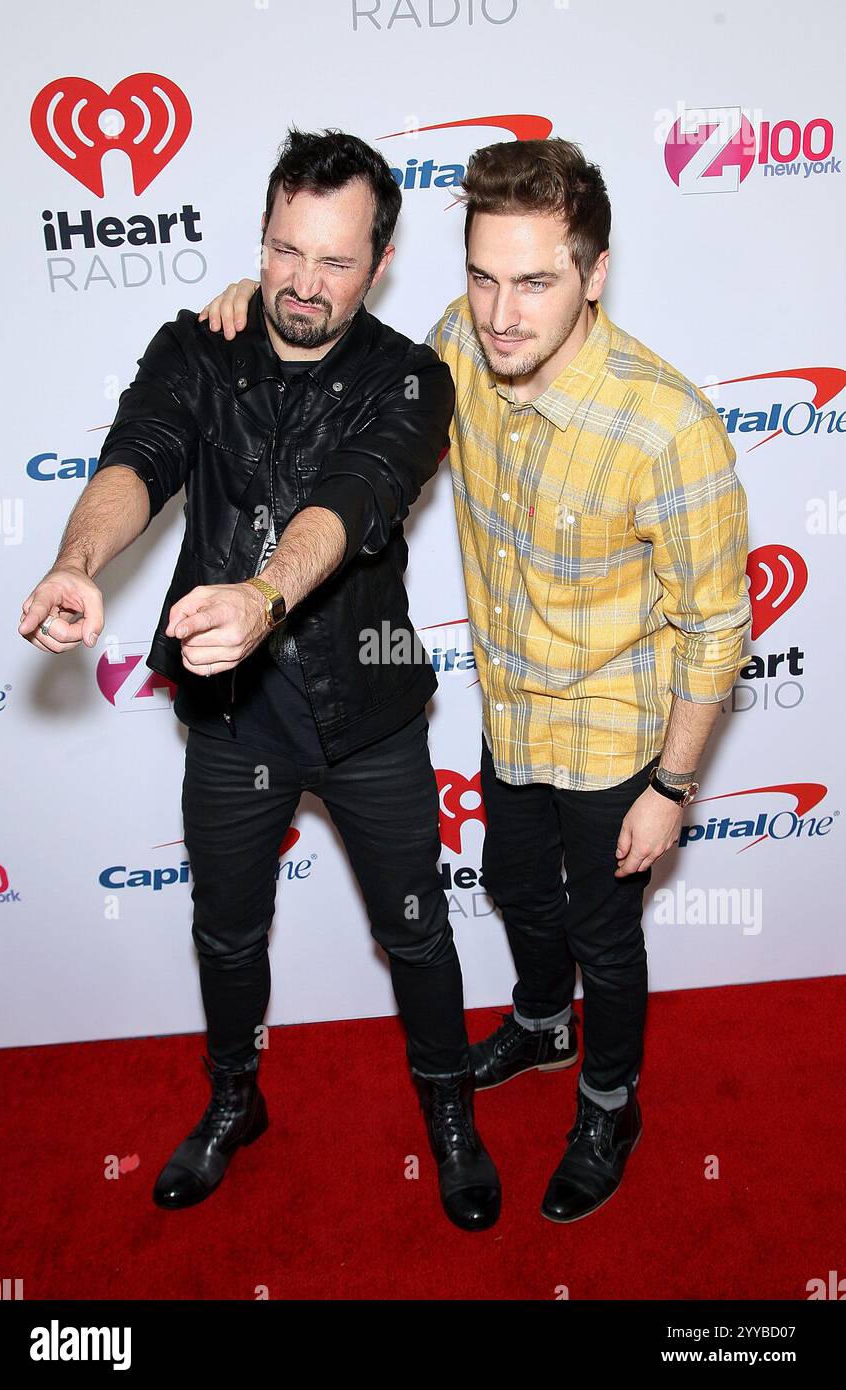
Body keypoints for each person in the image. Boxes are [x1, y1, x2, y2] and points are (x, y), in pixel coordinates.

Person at [200, 134, 751, 1223]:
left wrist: (671, 789)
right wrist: (254, 308)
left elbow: (716, 630)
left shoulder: (666, 428)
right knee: (509, 886)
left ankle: (607, 1100)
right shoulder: (461, 342)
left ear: (593, 273)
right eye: (483, 276)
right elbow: (348, 356)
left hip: (614, 744)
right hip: (511, 720)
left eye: (535, 280)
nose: (502, 313)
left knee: (605, 934)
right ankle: (544, 1026)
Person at [17, 128, 501, 1233]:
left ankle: (450, 1113)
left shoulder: (412, 379)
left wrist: (265, 593)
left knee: (417, 927)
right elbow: (139, 453)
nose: (301, 282)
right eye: (285, 250)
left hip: (370, 714)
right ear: (262, 238)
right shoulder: (197, 347)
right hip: (233, 717)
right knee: (226, 931)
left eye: (333, 260)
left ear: (378, 262)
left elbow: (356, 492)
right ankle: (235, 1100)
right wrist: (76, 561)